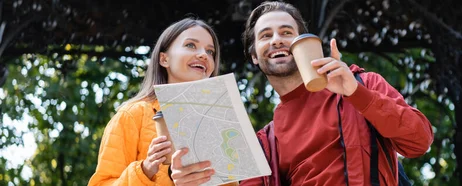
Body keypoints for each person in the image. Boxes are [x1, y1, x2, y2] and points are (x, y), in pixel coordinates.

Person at [237, 1, 434, 185]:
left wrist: (356, 93)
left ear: (302, 45)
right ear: (254, 56)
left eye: (286, 32)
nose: (277, 40)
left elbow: (419, 142)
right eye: (265, 35)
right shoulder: (265, 144)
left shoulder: (362, 84)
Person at [88, 17, 229, 186]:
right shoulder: (132, 115)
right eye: (191, 45)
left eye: (210, 51)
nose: (203, 55)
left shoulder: (220, 122)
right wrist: (145, 170)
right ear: (164, 59)